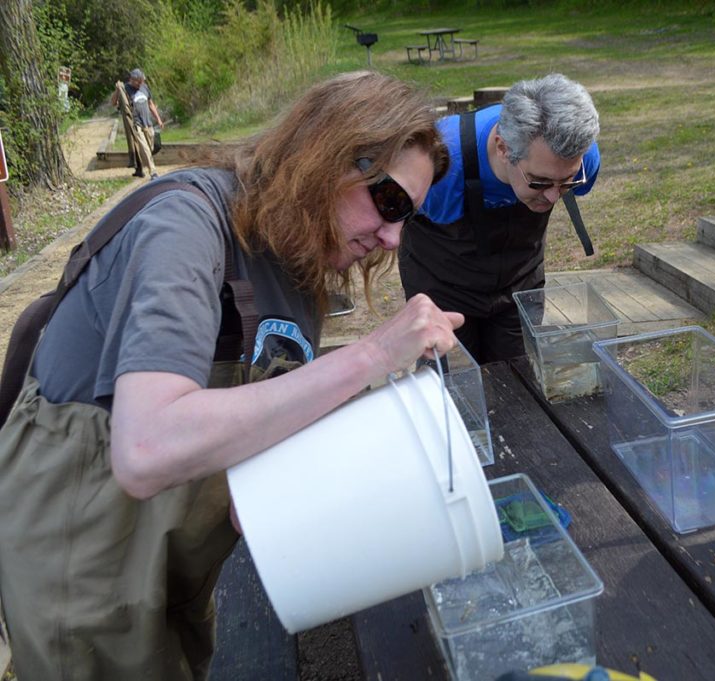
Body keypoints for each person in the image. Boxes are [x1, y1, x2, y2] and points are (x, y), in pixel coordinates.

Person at [0, 71, 456, 680]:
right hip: (82, 562)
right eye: (391, 202)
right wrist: (373, 355)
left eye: (408, 218)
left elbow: (254, 472)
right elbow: (145, 446)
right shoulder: (185, 227)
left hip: (175, 561)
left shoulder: (295, 261)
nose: (392, 236)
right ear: (324, 158)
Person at [399, 73, 601, 364]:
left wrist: (556, 181)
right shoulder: (437, 166)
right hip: (441, 286)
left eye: (566, 182)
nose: (554, 197)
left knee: (517, 378)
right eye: (540, 182)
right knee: (453, 384)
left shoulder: (582, 158)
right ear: (503, 148)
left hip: (519, 284)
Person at [110, 68, 164, 179]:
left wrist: (158, 119)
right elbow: (114, 103)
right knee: (144, 147)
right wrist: (117, 90)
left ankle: (139, 168)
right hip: (136, 124)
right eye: (138, 81)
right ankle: (153, 171)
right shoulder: (125, 89)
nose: (140, 83)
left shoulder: (144, 87)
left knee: (151, 147)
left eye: (142, 81)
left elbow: (150, 104)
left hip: (147, 123)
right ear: (132, 79)